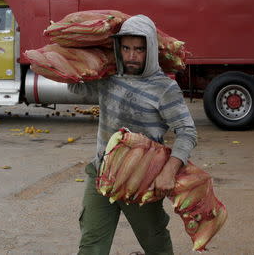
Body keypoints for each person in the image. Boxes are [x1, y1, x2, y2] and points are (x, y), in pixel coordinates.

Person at [69, 15, 197, 255]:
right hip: (101, 173)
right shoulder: (108, 77)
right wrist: (72, 54)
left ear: (150, 49)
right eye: (126, 48)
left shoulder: (164, 88)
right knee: (91, 245)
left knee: (156, 244)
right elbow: (75, 85)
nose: (131, 56)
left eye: (139, 49)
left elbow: (187, 131)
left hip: (141, 181)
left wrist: (169, 170)